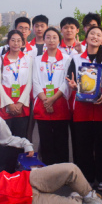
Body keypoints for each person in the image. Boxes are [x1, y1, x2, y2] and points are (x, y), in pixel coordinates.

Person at [66, 26, 102, 191]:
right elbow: (71, 78)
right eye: (92, 34)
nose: (95, 36)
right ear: (85, 38)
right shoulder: (76, 59)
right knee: (83, 146)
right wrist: (73, 86)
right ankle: (86, 177)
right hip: (82, 109)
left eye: (98, 35)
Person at [32, 27, 72, 165]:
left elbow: (66, 82)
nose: (51, 40)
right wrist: (45, 100)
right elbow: (35, 81)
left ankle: (63, 170)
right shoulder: (37, 60)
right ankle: (48, 169)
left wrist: (53, 99)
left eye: (54, 37)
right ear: (44, 40)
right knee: (45, 140)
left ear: (59, 40)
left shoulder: (67, 59)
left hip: (60, 102)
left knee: (61, 140)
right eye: (48, 37)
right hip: (42, 103)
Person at [0, 30, 33, 142]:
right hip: (5, 104)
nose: (16, 43)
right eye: (13, 40)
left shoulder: (28, 59)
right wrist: (9, 104)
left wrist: (20, 103)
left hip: (22, 104)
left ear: (23, 43)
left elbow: (29, 83)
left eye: (19, 40)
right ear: (8, 42)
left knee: (21, 138)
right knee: (5, 139)